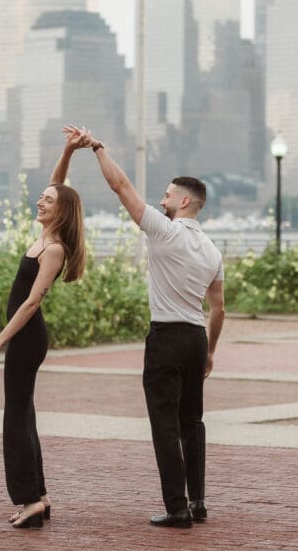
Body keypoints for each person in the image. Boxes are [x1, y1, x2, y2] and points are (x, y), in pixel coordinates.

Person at [65, 125, 225, 529]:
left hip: (167, 338)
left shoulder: (164, 230)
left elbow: (121, 186)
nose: (161, 200)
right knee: (192, 422)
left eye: (167, 195)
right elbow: (219, 308)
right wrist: (209, 352)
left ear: (184, 201)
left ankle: (177, 508)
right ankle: (198, 502)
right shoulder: (212, 251)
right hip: (195, 338)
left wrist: (98, 147)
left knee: (165, 425)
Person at [0, 132, 86, 529]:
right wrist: (68, 151)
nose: (40, 201)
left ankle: (29, 500)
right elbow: (59, 185)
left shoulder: (53, 248)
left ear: (61, 212)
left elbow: (31, 303)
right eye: (41, 197)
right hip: (24, 338)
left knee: (15, 419)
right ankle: (39, 494)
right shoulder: (45, 235)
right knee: (24, 414)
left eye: (47, 200)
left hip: (27, 337)